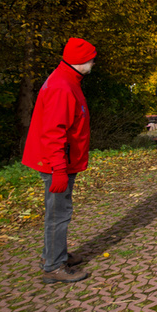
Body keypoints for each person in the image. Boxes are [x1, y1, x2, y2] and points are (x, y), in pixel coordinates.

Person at [22, 37, 96, 284]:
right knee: (59, 213)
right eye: (91, 58)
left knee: (58, 211)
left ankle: (53, 255)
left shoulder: (67, 79)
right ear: (80, 61)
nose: (93, 62)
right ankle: (53, 266)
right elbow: (53, 131)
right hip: (56, 162)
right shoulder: (62, 86)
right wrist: (59, 169)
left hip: (60, 159)